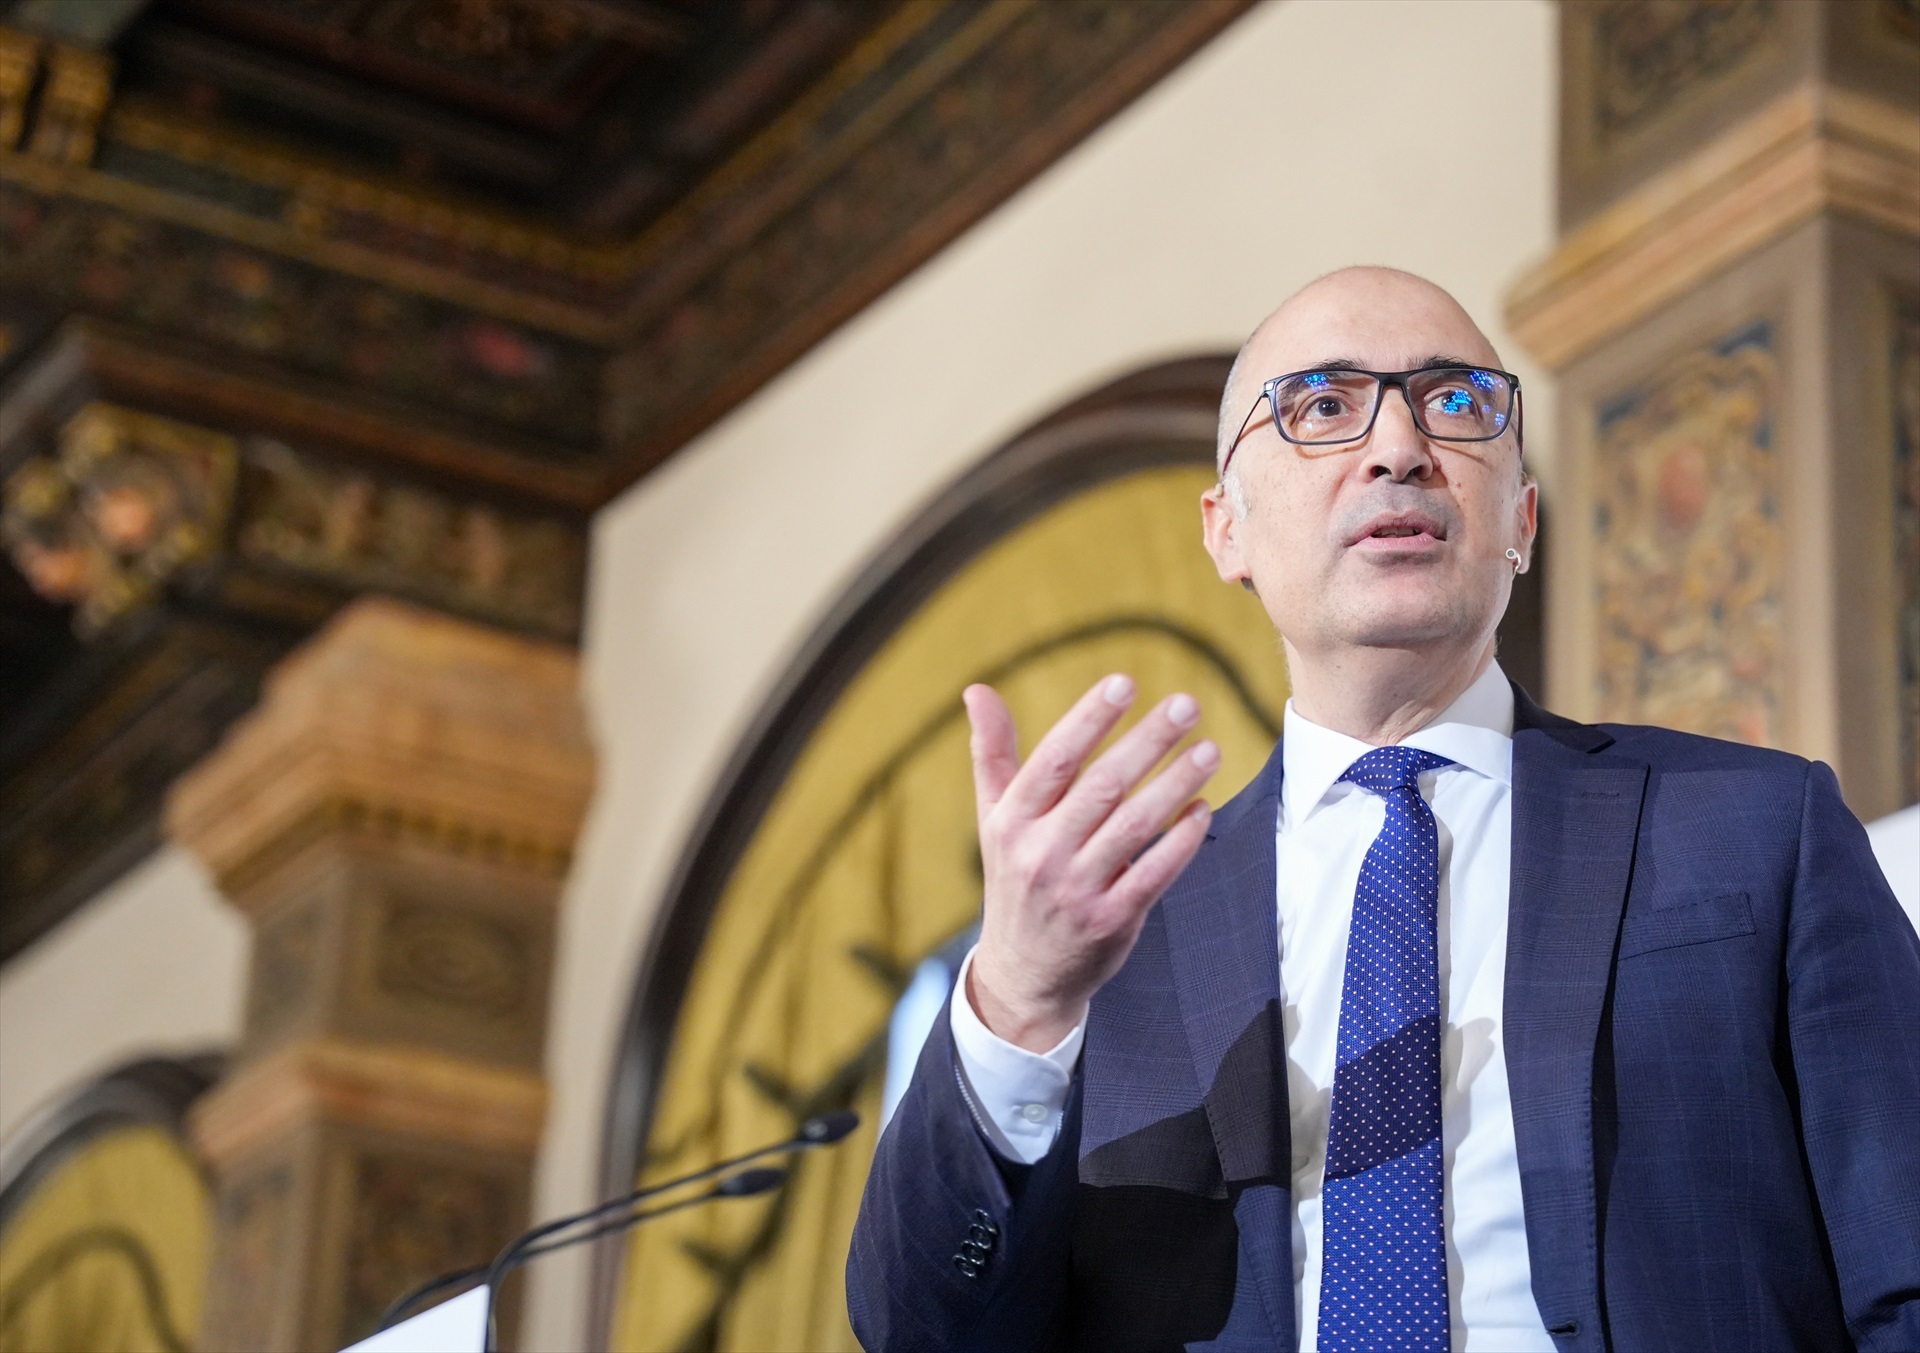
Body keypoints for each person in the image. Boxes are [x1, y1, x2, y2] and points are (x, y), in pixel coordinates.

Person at [845, 267, 1920, 1352]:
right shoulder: (1120, 941)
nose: (1400, 448)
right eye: (1322, 407)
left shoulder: (1754, 826)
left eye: (1454, 403)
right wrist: (1021, 1001)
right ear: (1227, 530)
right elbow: (922, 1329)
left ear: (1524, 520)